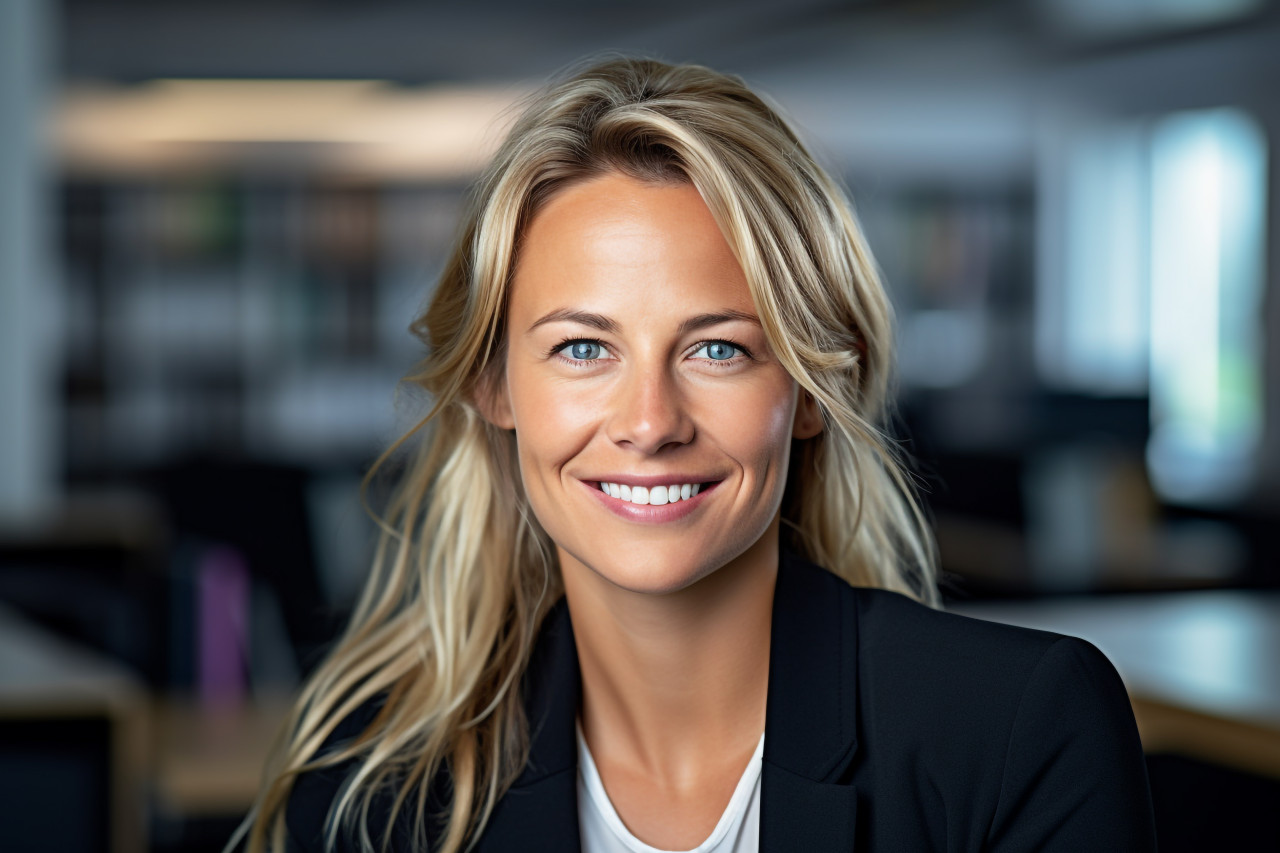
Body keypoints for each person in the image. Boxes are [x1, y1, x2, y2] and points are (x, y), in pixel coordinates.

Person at [236, 57, 1157, 852]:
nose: (649, 421)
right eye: (583, 348)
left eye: (719, 348)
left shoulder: (1016, 729)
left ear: (808, 390)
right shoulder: (375, 784)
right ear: (494, 386)